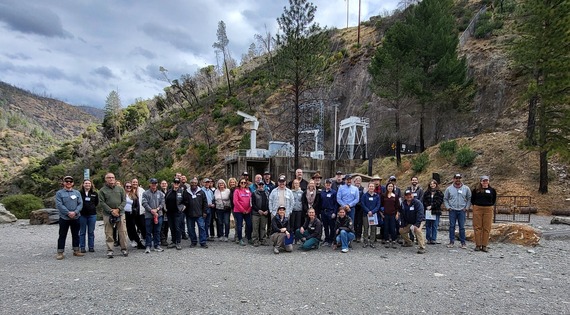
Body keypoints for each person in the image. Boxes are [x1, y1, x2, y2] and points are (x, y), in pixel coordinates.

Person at [98, 173, 128, 258]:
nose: (111, 179)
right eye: (109, 178)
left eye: (112, 177)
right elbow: (102, 202)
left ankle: (124, 249)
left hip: (120, 213)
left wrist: (118, 209)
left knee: (122, 232)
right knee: (109, 233)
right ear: (105, 179)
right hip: (108, 214)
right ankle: (110, 250)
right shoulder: (102, 190)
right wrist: (111, 210)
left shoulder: (120, 189)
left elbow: (124, 200)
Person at [55, 176, 84, 260]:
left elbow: (80, 204)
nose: (68, 183)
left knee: (76, 235)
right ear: (63, 183)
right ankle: (60, 252)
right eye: (67, 181)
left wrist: (75, 212)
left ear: (73, 183)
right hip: (64, 218)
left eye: (70, 181)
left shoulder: (77, 193)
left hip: (76, 217)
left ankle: (76, 250)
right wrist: (68, 213)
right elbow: (59, 204)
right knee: (62, 235)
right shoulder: (59, 193)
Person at [444, 174, 472, 249]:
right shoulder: (449, 189)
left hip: (462, 210)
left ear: (461, 179)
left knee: (462, 227)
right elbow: (445, 199)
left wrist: (466, 207)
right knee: (452, 226)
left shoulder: (466, 188)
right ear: (453, 179)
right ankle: (451, 242)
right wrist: (448, 207)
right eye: (456, 178)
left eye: (459, 178)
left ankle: (463, 243)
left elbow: (469, 198)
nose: (458, 180)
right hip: (452, 210)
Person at [471, 175, 497, 252]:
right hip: (478, 208)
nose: (485, 182)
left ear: (488, 181)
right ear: (481, 182)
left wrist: (490, 205)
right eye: (483, 181)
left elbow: (494, 199)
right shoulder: (476, 190)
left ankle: (484, 245)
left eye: (486, 181)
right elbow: (472, 199)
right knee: (477, 227)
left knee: (487, 227)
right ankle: (478, 245)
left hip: (488, 209)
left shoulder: (492, 190)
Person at [164, 177, 190, 250]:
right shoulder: (169, 191)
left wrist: (182, 209)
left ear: (179, 184)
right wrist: (165, 209)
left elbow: (186, 202)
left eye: (177, 183)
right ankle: (173, 241)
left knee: (177, 227)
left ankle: (178, 242)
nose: (176, 184)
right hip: (169, 213)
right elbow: (165, 201)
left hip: (178, 213)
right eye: (175, 182)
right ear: (173, 183)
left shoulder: (182, 192)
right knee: (172, 228)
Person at [142, 178, 165, 253]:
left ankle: (157, 245)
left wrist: (157, 209)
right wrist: (151, 210)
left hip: (159, 215)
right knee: (148, 231)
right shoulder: (145, 193)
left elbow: (162, 203)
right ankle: (148, 246)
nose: (154, 185)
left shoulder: (160, 193)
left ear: (157, 184)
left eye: (155, 183)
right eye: (152, 183)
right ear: (150, 184)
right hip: (149, 215)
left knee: (157, 231)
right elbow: (144, 203)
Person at [185, 177, 209, 248]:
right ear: (190, 184)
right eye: (192, 183)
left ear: (197, 183)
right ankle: (193, 242)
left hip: (199, 214)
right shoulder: (186, 192)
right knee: (190, 228)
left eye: (195, 183)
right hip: (189, 214)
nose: (193, 184)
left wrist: (205, 212)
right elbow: (184, 202)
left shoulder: (201, 192)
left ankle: (203, 242)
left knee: (202, 227)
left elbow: (205, 202)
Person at [422, 179, 444, 245]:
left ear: (436, 184)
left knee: (435, 225)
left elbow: (439, 201)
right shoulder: (426, 192)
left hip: (436, 211)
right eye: (431, 184)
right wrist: (427, 206)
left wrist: (432, 206)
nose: (432, 185)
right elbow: (424, 200)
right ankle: (428, 239)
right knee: (428, 225)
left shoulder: (439, 192)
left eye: (433, 184)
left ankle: (433, 239)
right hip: (428, 211)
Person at [79, 179, 98, 253]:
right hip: (82, 215)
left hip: (92, 215)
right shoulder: (79, 193)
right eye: (86, 183)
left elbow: (96, 203)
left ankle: (91, 247)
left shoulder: (94, 193)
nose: (87, 185)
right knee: (82, 232)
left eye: (89, 183)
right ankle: (82, 247)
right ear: (83, 184)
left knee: (91, 231)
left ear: (91, 184)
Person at [125, 181, 145, 249]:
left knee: (133, 228)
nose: (128, 188)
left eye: (130, 186)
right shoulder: (122, 195)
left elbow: (137, 205)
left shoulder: (133, 195)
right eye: (127, 186)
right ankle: (132, 240)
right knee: (128, 229)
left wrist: (135, 211)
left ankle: (138, 242)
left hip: (132, 214)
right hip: (124, 214)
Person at [233, 177, 253, 246]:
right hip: (238, 211)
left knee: (249, 224)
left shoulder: (248, 190)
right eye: (242, 182)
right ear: (239, 183)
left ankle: (249, 238)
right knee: (239, 225)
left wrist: (249, 209)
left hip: (247, 211)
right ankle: (240, 238)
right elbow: (235, 201)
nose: (243, 184)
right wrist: (242, 210)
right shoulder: (237, 191)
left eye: (244, 182)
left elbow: (251, 201)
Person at [361, 182, 380, 248]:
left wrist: (372, 211)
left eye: (372, 186)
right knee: (366, 228)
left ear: (374, 188)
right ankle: (365, 242)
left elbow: (378, 205)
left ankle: (372, 242)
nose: (371, 187)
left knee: (373, 229)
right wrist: (368, 211)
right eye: (370, 186)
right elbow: (362, 204)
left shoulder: (377, 196)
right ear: (368, 187)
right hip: (366, 214)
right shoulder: (364, 195)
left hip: (374, 215)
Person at [382, 182, 400, 248]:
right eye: (389, 186)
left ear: (393, 188)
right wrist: (381, 214)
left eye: (391, 186)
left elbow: (397, 206)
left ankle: (393, 240)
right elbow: (381, 205)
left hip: (393, 214)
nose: (390, 187)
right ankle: (386, 240)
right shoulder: (383, 195)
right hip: (385, 214)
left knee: (393, 228)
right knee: (386, 228)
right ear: (387, 187)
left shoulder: (395, 196)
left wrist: (397, 214)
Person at [251, 180, 270, 246]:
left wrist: (267, 210)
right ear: (257, 186)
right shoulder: (254, 193)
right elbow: (252, 204)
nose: (261, 186)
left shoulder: (267, 193)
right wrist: (258, 210)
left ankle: (263, 240)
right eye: (259, 185)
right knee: (255, 227)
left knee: (263, 227)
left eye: (262, 185)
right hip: (256, 213)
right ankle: (255, 240)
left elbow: (269, 203)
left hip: (264, 213)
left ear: (264, 186)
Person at [320, 178, 338, 247]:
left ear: (331, 184)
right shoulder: (322, 192)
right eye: (327, 183)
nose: (328, 185)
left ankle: (331, 239)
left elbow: (336, 203)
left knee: (332, 226)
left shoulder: (334, 192)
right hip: (324, 211)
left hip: (331, 212)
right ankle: (326, 239)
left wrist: (334, 212)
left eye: (329, 183)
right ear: (325, 184)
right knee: (325, 227)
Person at [130, 178, 146, 245]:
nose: (135, 183)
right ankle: (134, 240)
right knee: (132, 227)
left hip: (140, 211)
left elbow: (145, 199)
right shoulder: (129, 190)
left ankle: (145, 239)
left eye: (136, 182)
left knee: (142, 226)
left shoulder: (142, 190)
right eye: (133, 182)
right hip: (131, 212)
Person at [289, 179, 304, 243]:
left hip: (299, 210)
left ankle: (297, 239)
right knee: (292, 225)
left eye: (297, 183)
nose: (296, 185)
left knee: (298, 225)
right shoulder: (290, 192)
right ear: (293, 184)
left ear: (299, 184)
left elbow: (303, 201)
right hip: (292, 210)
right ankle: (291, 238)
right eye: (295, 183)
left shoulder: (302, 192)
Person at [352, 176, 364, 242]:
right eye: (356, 180)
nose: (358, 181)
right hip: (354, 206)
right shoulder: (352, 188)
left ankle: (359, 236)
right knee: (354, 221)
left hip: (360, 207)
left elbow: (363, 198)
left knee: (360, 222)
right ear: (354, 181)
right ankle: (354, 235)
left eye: (359, 180)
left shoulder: (363, 189)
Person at [159, 180, 170, 247]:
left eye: (165, 183)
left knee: (166, 226)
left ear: (167, 184)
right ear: (160, 185)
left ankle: (165, 239)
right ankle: (162, 240)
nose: (164, 185)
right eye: (162, 183)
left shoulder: (170, 192)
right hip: (161, 211)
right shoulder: (158, 192)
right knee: (161, 226)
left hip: (168, 212)